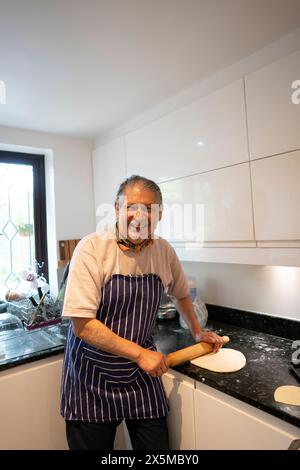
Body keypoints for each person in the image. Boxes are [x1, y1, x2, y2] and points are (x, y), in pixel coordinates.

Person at [60, 175, 224, 450]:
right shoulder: (92, 248)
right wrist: (139, 354)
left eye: (149, 208)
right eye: (131, 206)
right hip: (91, 376)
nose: (140, 215)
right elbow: (83, 325)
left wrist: (197, 330)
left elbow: (181, 292)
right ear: (116, 209)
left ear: (159, 214)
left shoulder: (163, 251)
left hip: (140, 374)